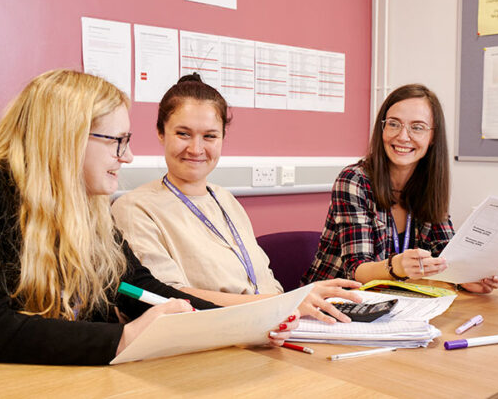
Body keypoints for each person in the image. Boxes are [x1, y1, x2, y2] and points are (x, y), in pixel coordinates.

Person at [0, 70, 297, 369]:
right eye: (117, 141)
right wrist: (123, 338)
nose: (126, 157)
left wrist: (240, 326)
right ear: (68, 137)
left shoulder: (88, 205)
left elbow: (138, 288)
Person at [112, 74, 362, 325]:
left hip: (267, 328)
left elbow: (264, 282)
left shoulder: (225, 199)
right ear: (160, 133)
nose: (196, 149)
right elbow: (168, 299)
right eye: (183, 134)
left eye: (210, 136)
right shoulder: (135, 208)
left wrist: (284, 311)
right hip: (206, 334)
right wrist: (280, 304)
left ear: (223, 137)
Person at [301, 84, 498, 293]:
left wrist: (470, 278)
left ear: (432, 137)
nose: (402, 136)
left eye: (417, 127)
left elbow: (445, 255)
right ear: (382, 128)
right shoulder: (354, 180)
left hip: (395, 303)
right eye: (393, 124)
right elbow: (356, 269)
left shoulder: (429, 184)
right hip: (334, 303)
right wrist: (397, 266)